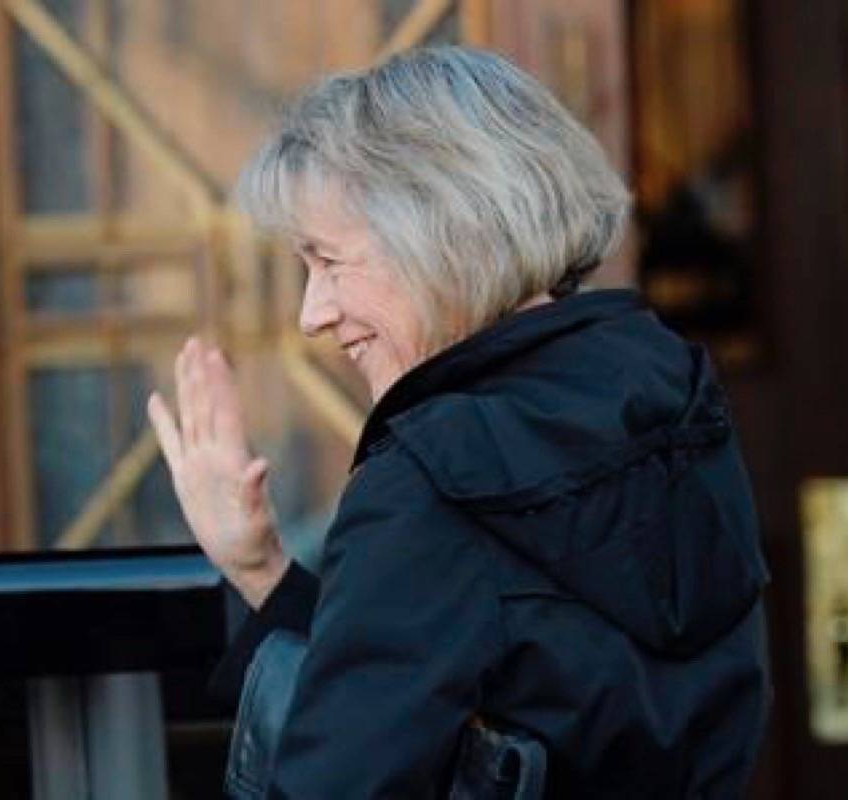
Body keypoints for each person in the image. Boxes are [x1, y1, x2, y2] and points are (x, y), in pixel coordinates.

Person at [147, 46, 771, 798]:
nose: (313, 314)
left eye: (330, 263)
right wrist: (261, 569)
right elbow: (502, 686)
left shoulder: (429, 480)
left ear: (441, 233)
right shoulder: (672, 398)